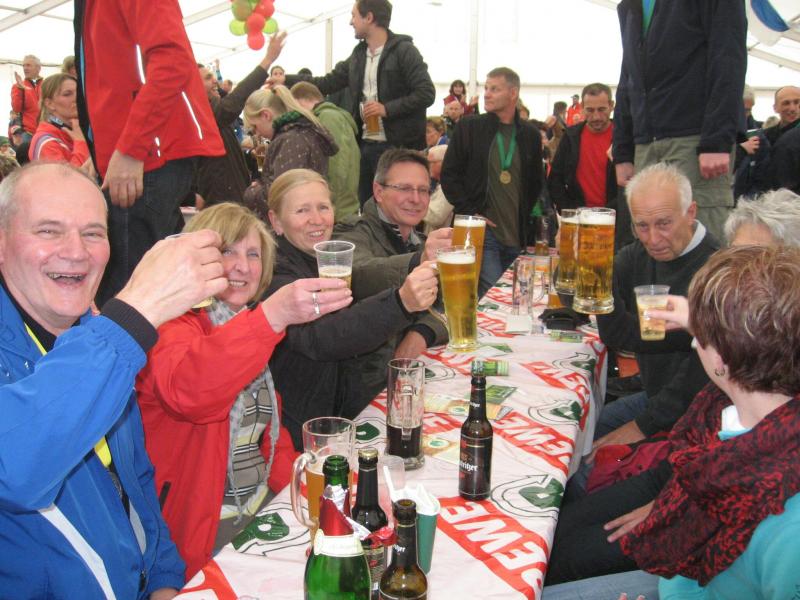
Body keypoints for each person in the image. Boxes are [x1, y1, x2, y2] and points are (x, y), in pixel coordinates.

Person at [544, 186, 800, 588]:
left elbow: (683, 411)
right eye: (732, 261)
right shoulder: (744, 350)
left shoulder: (757, 372)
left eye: (751, 266)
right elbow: (632, 338)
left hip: (691, 545)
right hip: (678, 477)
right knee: (552, 528)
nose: (653, 237)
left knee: (558, 551)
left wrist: (669, 507)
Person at [0, 161, 232, 598]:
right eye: (48, 231)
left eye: (93, 233)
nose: (76, 252)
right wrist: (136, 314)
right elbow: (16, 468)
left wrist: (163, 580)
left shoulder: (96, 337)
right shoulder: (114, 339)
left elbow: (135, 482)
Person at [136, 202, 352, 578]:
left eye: (253, 254)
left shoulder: (242, 326)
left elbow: (270, 440)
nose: (243, 266)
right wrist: (272, 316)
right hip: (196, 529)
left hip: (258, 507)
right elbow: (191, 391)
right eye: (227, 251)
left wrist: (303, 495)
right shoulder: (169, 326)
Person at [265, 168, 439, 447]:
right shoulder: (274, 275)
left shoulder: (324, 261)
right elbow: (324, 337)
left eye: (323, 207)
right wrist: (400, 302)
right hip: (295, 432)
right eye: (302, 210)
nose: (316, 219)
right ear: (277, 222)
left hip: (339, 416)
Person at [74, 0, 225, 306]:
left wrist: (131, 148)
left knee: (130, 294)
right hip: (144, 153)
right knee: (145, 287)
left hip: (149, 154)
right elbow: (114, 75)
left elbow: (172, 60)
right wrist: (104, 148)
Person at [613, 0, 747, 244]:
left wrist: (716, 140)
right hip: (646, 142)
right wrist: (623, 150)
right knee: (650, 241)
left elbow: (728, 56)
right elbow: (628, 75)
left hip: (695, 138)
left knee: (701, 240)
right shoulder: (630, 5)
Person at [282, 0, 435, 206]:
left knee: (396, 207)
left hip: (398, 147)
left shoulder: (405, 51)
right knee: (367, 205)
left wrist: (387, 109)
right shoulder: (358, 55)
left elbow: (426, 93)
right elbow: (327, 82)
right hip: (365, 145)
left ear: (369, 17)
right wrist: (286, 79)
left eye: (354, 15)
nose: (351, 22)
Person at [336, 148, 451, 367]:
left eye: (423, 190)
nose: (416, 199)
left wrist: (422, 333)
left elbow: (451, 303)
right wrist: (419, 261)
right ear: (378, 192)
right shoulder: (351, 231)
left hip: (414, 369)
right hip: (366, 375)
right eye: (404, 188)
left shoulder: (420, 240)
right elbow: (358, 274)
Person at [440, 66, 543, 296]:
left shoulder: (530, 135)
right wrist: (470, 212)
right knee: (493, 294)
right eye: (486, 88)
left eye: (495, 89)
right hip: (481, 232)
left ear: (513, 93)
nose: (486, 94)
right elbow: (449, 175)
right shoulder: (469, 127)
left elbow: (536, 183)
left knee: (514, 296)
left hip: (517, 234)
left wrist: (528, 221)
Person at [195, 32, 286, 206]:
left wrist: (248, 158)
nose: (215, 81)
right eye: (208, 78)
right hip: (223, 204)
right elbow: (235, 101)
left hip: (234, 197)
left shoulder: (214, 111)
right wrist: (267, 61)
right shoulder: (205, 115)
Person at [547, 83, 631, 249]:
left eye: (602, 109)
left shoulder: (624, 138)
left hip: (616, 224)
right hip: (579, 222)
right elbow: (555, 179)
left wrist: (609, 212)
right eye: (590, 110)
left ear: (612, 106)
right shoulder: (571, 136)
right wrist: (570, 212)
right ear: (582, 108)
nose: (596, 116)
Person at [242, 86, 337, 219]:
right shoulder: (300, 133)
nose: (256, 134)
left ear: (266, 115)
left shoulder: (290, 140)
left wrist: (253, 192)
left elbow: (283, 194)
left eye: (254, 127)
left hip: (296, 222)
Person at [291, 81, 361, 221]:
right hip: (337, 208)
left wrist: (326, 201)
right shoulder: (328, 116)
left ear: (299, 101)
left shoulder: (328, 117)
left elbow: (337, 166)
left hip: (338, 211)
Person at [28, 73, 90, 170]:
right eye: (67, 94)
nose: (78, 98)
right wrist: (81, 143)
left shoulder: (81, 130)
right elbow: (68, 178)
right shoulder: (46, 142)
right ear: (50, 104)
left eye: (79, 92)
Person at [10, 55, 42, 142]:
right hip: (29, 133)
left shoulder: (47, 84)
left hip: (47, 131)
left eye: (28, 65)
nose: (25, 68)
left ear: (38, 68)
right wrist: (19, 88)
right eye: (23, 65)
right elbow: (16, 109)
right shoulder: (17, 86)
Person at [423, 144, 452, 234]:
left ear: (443, 163)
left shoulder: (449, 186)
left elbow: (435, 217)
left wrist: (415, 207)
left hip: (443, 238)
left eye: (431, 162)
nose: (428, 166)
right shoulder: (441, 183)